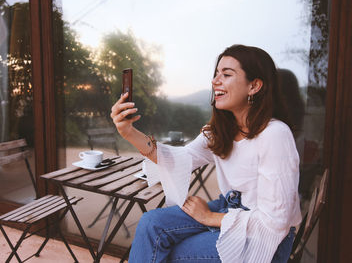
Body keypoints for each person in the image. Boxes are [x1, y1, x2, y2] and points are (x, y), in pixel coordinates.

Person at [110, 44, 302, 263]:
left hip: (266, 239)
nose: (215, 80)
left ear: (254, 86)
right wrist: (129, 132)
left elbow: (275, 222)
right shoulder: (221, 131)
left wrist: (210, 217)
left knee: (174, 252)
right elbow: (179, 159)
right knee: (151, 224)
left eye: (227, 74)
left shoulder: (274, 134)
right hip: (229, 210)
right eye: (216, 74)